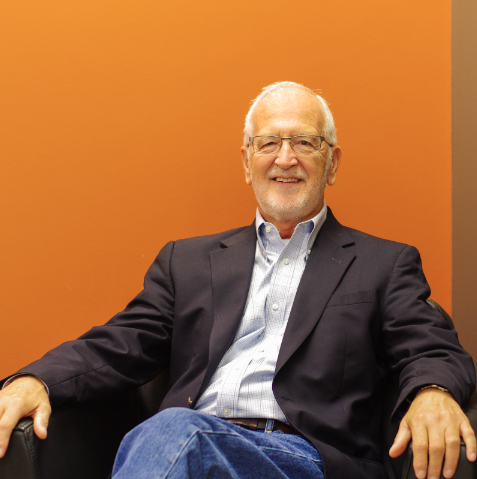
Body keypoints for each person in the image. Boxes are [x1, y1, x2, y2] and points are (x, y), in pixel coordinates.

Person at [0, 81, 475, 479]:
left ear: (332, 163)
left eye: (304, 142)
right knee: (177, 435)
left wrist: (433, 392)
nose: (285, 158)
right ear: (246, 162)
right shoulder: (186, 262)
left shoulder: (383, 264)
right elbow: (120, 343)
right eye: (269, 143)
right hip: (185, 447)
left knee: (176, 432)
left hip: (303, 459)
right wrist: (36, 379)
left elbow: (433, 348)